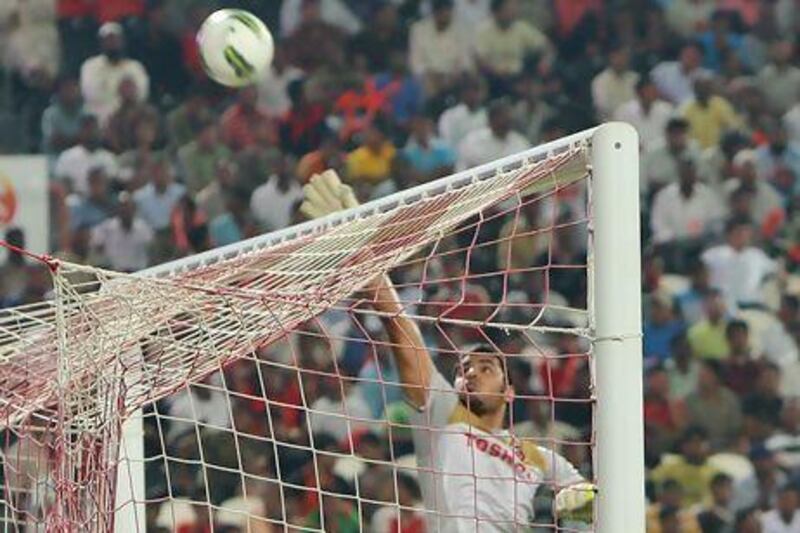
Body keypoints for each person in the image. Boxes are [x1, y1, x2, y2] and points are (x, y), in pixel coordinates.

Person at [299, 170, 594, 531]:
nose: (469, 372)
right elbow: (400, 328)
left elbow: (580, 491)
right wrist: (366, 259)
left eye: (485, 368)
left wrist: (576, 519)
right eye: (464, 368)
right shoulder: (444, 415)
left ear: (510, 392)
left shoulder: (536, 455)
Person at [79, 22, 149, 125]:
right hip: (99, 118)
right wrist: (119, 92)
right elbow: (90, 94)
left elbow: (142, 94)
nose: (112, 43)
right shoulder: (90, 66)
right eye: (108, 40)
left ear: (123, 42)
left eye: (115, 39)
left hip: (130, 119)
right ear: (101, 43)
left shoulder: (135, 67)